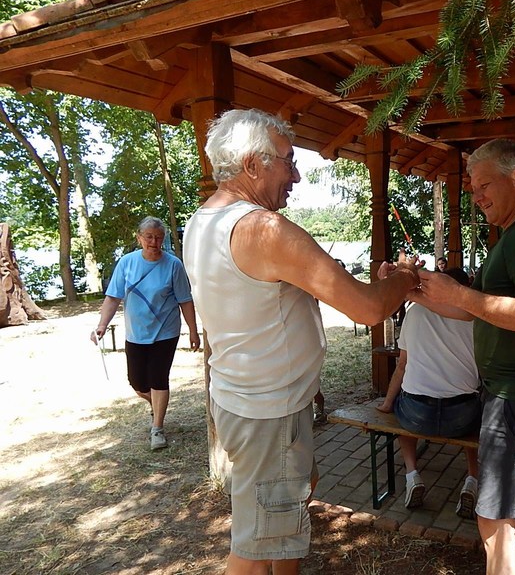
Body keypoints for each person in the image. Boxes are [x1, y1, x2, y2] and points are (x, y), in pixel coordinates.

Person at [182, 108, 420, 575]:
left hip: (243, 400)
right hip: (269, 413)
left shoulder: (202, 221)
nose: (296, 175)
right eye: (288, 161)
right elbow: (367, 308)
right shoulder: (264, 230)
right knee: (254, 548)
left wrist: (375, 285)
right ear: (253, 165)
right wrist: (405, 277)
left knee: (289, 509)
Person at [411, 139, 515, 575]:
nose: (476, 196)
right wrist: (415, 289)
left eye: (484, 185)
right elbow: (471, 310)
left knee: (499, 523)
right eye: (472, 188)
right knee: (514, 525)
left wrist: (461, 293)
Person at [376, 267, 481, 519]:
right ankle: (472, 479)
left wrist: (388, 404)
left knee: (402, 410)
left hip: (417, 414)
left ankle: (412, 474)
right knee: (479, 419)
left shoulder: (414, 312)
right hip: (462, 415)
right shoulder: (475, 317)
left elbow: (402, 365)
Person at [90, 216, 200, 451]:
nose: (154, 242)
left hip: (166, 331)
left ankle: (157, 428)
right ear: (139, 238)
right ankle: (157, 404)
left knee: (159, 378)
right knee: (137, 382)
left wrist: (193, 330)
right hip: (136, 333)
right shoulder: (126, 263)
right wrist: (102, 325)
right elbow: (113, 297)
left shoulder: (173, 265)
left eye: (159, 237)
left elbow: (185, 300)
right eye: (149, 237)